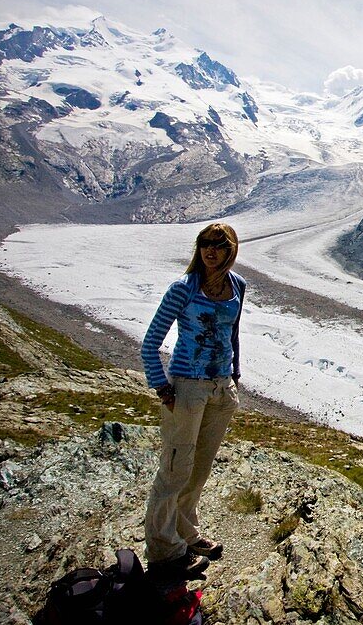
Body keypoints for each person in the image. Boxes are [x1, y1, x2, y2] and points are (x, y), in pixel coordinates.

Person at [141, 222, 246, 579]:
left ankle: (186, 533)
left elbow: (232, 332)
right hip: (186, 388)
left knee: (198, 470)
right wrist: (162, 387)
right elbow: (150, 342)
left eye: (219, 244)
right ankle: (163, 550)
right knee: (174, 469)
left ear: (231, 249)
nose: (211, 250)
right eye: (205, 243)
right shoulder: (182, 290)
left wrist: (235, 373)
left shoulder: (237, 286)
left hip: (220, 389)